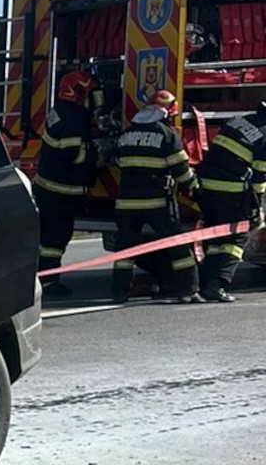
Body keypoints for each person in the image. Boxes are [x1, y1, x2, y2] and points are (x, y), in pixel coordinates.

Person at [112, 91, 200, 303]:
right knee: (177, 245)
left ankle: (119, 292)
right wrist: (197, 189)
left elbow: (118, 161)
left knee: (125, 249)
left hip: (126, 203)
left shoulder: (126, 134)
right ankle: (188, 290)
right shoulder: (167, 135)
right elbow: (181, 171)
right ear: (167, 114)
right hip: (158, 202)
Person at [195, 98, 266, 303]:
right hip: (230, 190)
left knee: (216, 237)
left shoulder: (239, 120)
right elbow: (260, 175)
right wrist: (257, 206)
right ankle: (216, 286)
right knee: (237, 238)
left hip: (207, 185)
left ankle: (205, 283)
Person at [34, 70, 97, 293]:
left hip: (48, 187)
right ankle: (49, 282)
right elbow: (71, 154)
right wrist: (95, 155)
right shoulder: (73, 117)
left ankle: (41, 278)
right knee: (56, 237)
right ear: (78, 92)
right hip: (61, 191)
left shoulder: (58, 110)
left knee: (46, 236)